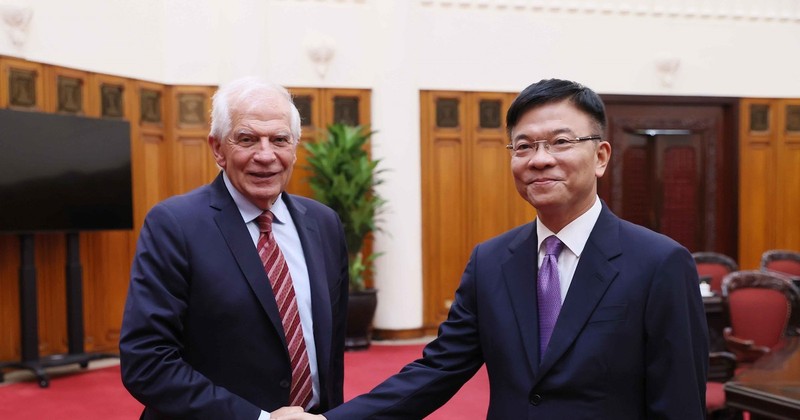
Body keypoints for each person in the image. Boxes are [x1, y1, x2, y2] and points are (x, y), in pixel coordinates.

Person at [276, 78, 709, 419]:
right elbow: (438, 369)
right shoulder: (492, 261)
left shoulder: (660, 263)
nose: (539, 159)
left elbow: (678, 405)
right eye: (524, 146)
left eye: (560, 142)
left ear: (601, 156)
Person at [119, 77, 349, 419]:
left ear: (295, 147)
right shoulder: (175, 225)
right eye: (247, 139)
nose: (266, 155)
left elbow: (329, 356)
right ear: (217, 149)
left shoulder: (324, 223)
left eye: (279, 140)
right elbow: (147, 362)